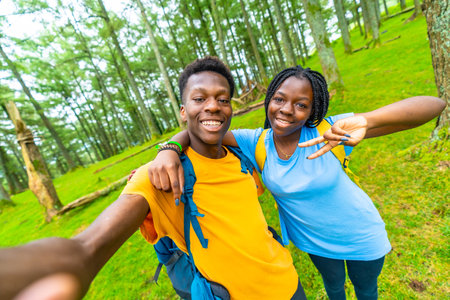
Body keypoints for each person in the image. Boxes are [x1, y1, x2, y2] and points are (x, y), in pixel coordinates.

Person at [0, 57, 307, 300]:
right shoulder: (160, 175)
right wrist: (58, 266)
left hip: (289, 283)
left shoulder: (245, 155)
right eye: (200, 98)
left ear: (230, 108)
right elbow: (88, 245)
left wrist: (172, 144)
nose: (213, 105)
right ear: (183, 112)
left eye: (222, 99)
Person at [147, 65, 446, 299]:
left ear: (312, 112)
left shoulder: (331, 131)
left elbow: (434, 105)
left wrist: (369, 120)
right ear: (269, 100)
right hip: (314, 242)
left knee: (366, 292)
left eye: (301, 105)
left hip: (360, 234)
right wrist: (170, 147)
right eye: (279, 99)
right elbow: (202, 127)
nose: (286, 110)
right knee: (335, 291)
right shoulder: (256, 142)